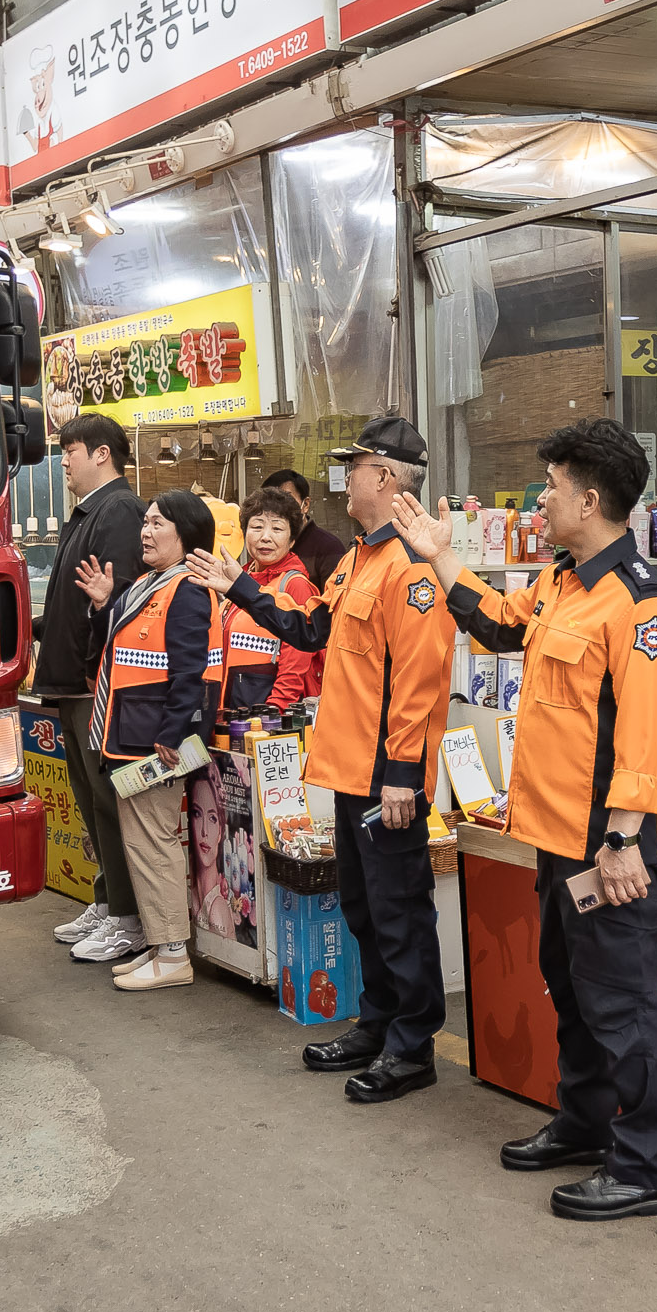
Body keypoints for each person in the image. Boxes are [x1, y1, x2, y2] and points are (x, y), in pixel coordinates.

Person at [393, 416, 657, 1221]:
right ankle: (585, 1122)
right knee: (574, 988)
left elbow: (644, 740)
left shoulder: (644, 607)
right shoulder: (561, 582)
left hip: (608, 843)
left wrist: (625, 839)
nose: (541, 501)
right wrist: (441, 555)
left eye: (551, 488)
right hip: (556, 840)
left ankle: (643, 1167)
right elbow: (495, 623)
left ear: (589, 499)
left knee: (625, 1006)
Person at [190, 418, 456, 1103]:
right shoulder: (357, 560)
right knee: (365, 910)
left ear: (387, 478)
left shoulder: (411, 569)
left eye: (356, 465)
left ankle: (412, 1044)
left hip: (383, 774)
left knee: (400, 914)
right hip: (345, 768)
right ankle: (377, 1021)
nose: (346, 476)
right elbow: (311, 630)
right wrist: (240, 588)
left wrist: (403, 773)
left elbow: (422, 682)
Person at [73, 489, 216, 990]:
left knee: (155, 844)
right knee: (141, 842)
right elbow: (119, 648)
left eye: (159, 524)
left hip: (155, 743)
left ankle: (174, 954)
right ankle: (160, 946)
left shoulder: (188, 590)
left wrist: (173, 732)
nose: (146, 531)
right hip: (130, 736)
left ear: (186, 535)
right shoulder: (148, 585)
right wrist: (102, 605)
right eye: (147, 523)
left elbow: (190, 671)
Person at [31, 414, 150, 962]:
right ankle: (107, 901)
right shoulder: (89, 511)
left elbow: (113, 601)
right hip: (72, 685)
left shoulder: (119, 509)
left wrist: (86, 669)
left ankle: (129, 916)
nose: (64, 462)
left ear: (102, 454)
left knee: (109, 800)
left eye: (70, 451)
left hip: (95, 684)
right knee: (88, 799)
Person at [205, 486, 322, 723]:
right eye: (257, 526)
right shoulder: (238, 579)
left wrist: (274, 716)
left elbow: (294, 669)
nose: (265, 537)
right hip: (231, 715)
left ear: (292, 540)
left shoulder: (295, 585)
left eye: (277, 528)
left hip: (266, 720)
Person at [261, 469, 345, 586]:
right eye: (269, 501)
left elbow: (335, 601)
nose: (277, 508)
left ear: (305, 505)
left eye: (286, 499)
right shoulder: (263, 544)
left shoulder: (329, 548)